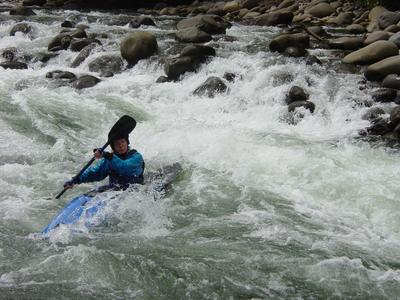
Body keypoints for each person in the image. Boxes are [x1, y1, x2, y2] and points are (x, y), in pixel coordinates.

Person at [64, 134, 144, 191]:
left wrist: (107, 155)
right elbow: (95, 173)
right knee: (94, 192)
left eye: (122, 142)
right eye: (117, 144)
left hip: (134, 191)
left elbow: (125, 168)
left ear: (127, 143)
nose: (121, 146)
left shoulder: (136, 157)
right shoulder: (109, 159)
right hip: (115, 190)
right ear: (113, 147)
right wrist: (74, 180)